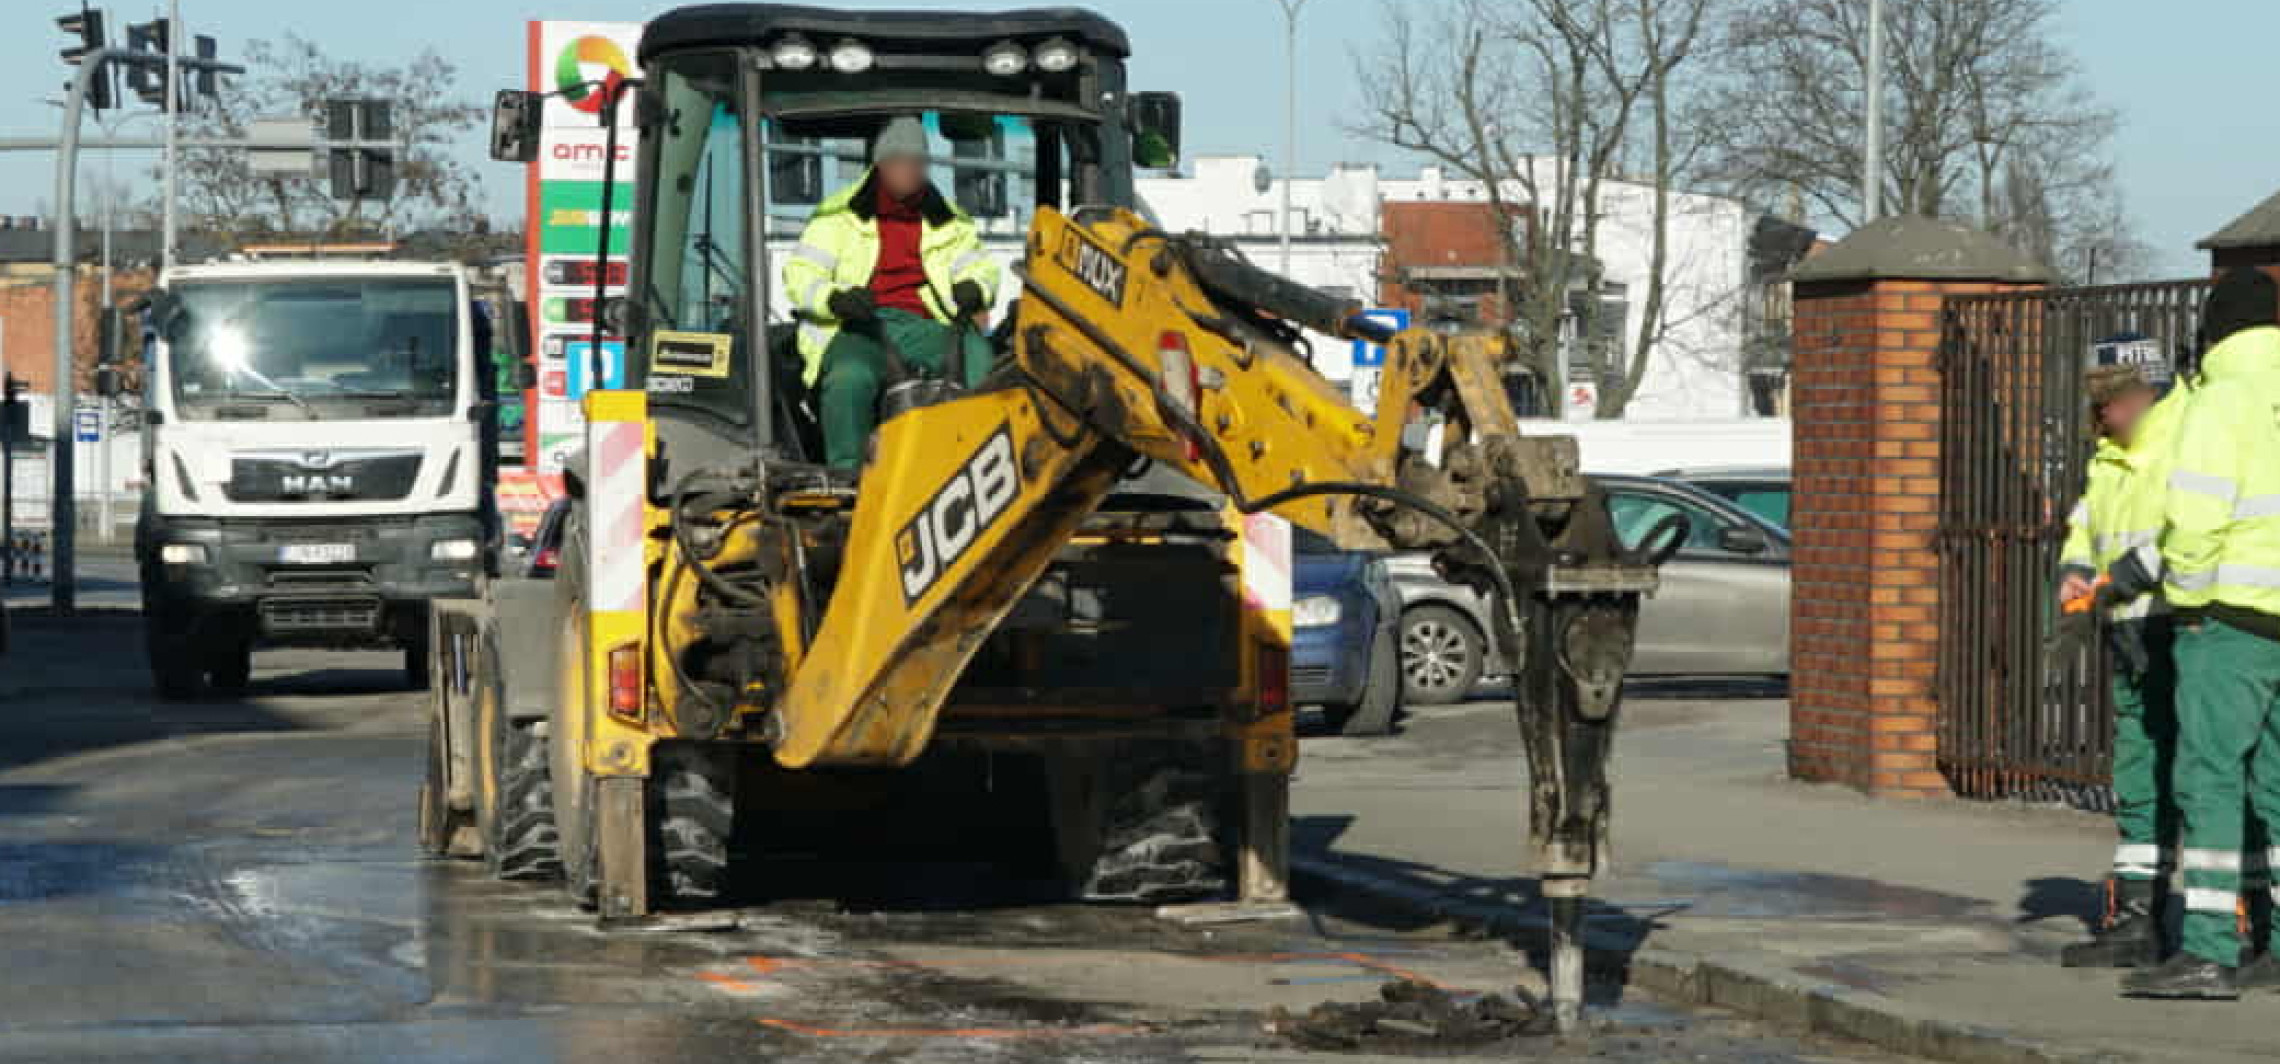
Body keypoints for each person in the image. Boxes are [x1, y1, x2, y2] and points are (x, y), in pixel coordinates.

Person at [2121, 268, 2280, 999]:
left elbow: (2197, 520)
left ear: (2216, 330)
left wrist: (2185, 601)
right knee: (2277, 789)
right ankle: (2273, 946)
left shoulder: (2221, 401)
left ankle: (2211, 949)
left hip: (2230, 618)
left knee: (2209, 778)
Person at [780, 115, 1001, 469]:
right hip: (857, 326)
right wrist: (836, 299)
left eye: (918, 162)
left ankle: (979, 468)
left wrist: (975, 288)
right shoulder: (836, 216)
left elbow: (980, 268)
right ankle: (847, 478)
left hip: (929, 324)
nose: (910, 170)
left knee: (980, 360)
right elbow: (801, 275)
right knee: (849, 378)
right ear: (881, 164)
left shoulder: (951, 220)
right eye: (901, 161)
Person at [2053, 362, 2179, 968]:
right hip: (2128, 632)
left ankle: (2233, 917)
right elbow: (2083, 527)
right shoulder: (2107, 461)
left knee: (2200, 779)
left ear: (2144, 394)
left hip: (2175, 626)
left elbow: (2188, 530)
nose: (2102, 416)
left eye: (2111, 403)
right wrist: (2075, 572)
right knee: (2138, 777)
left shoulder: (2180, 443)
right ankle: (2136, 917)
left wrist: (2121, 579)